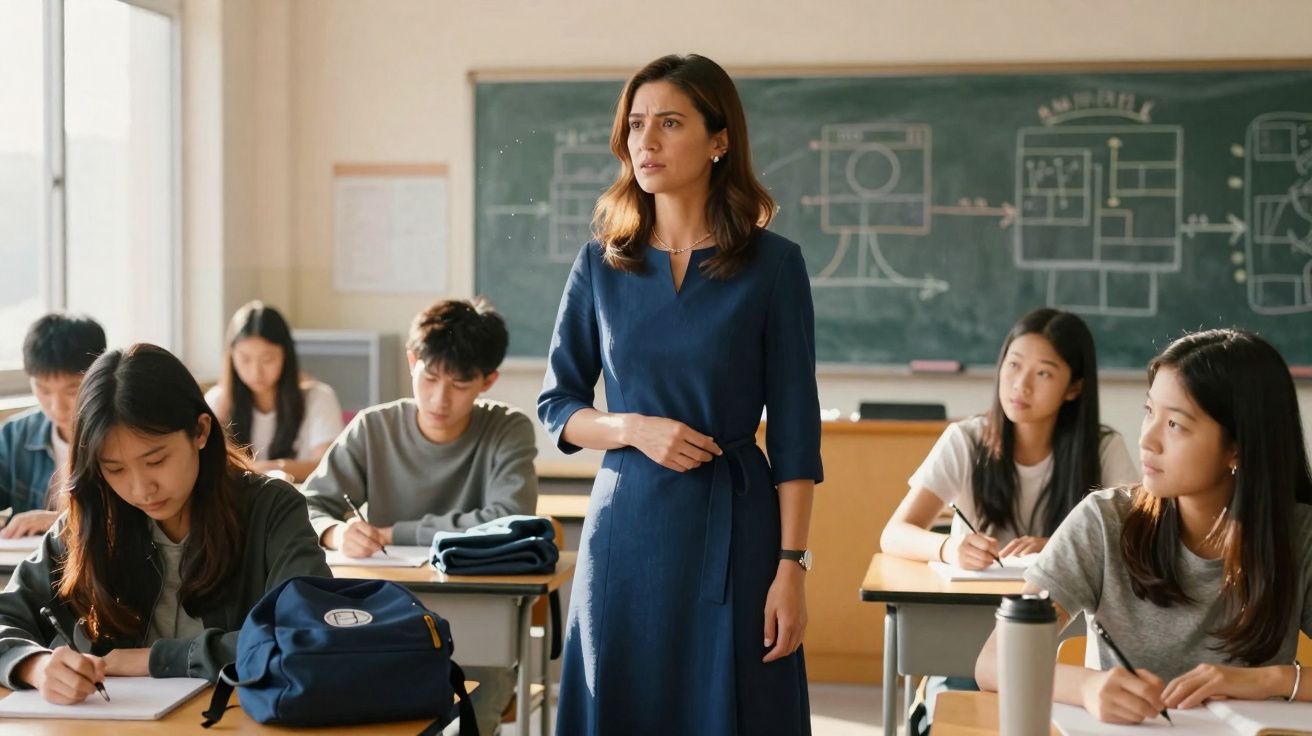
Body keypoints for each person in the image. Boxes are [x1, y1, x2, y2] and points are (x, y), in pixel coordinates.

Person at [538, 53, 822, 735]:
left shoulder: (773, 266)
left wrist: (791, 568)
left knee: (734, 705)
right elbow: (558, 408)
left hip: (738, 530)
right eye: (636, 125)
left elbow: (793, 435)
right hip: (625, 531)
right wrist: (633, 429)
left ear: (718, 140)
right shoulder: (600, 264)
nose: (647, 141)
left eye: (669, 122)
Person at [976, 329, 1312, 722]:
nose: (1147, 440)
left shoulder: (1299, 535)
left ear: (1237, 447)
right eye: (1150, 411)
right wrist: (1087, 687)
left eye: (1175, 425)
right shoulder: (1105, 521)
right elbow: (994, 661)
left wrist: (1270, 681)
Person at [0, 343, 329, 703]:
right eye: (115, 469)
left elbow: (305, 630)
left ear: (200, 431)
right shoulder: (95, 516)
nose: (141, 489)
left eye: (156, 460)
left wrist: (154, 660)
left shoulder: (271, 509)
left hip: (236, 718)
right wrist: (33, 665)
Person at [301, 297, 537, 736]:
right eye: (428, 377)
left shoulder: (509, 430)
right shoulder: (374, 428)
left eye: (460, 384)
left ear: (488, 380)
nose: (439, 398)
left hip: (480, 626)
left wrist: (394, 531)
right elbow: (309, 505)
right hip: (389, 623)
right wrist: (336, 532)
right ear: (412, 361)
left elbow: (510, 519)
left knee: (474, 716)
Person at [206, 301, 344, 483]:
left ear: (286, 356)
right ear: (231, 357)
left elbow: (327, 465)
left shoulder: (318, 398)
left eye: (267, 359)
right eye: (245, 359)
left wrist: (270, 468)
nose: (256, 372)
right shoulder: (217, 401)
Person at [0, 313, 106, 539]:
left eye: (71, 390)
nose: (57, 407)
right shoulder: (14, 435)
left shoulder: (120, 435)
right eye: (44, 390)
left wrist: (63, 521)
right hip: (26, 567)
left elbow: (137, 519)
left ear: (99, 375)